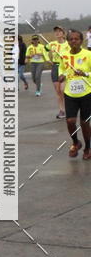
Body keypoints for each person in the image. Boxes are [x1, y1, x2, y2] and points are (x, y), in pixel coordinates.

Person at [57, 29, 91, 159]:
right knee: (70, 121)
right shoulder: (64, 55)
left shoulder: (88, 55)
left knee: (84, 123)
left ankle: (88, 148)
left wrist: (85, 74)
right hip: (70, 93)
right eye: (71, 39)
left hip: (87, 93)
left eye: (76, 39)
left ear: (81, 41)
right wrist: (62, 75)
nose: (73, 41)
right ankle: (76, 143)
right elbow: (63, 68)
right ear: (68, 41)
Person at [46, 25, 68, 118]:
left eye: (59, 31)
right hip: (55, 67)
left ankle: (70, 108)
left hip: (65, 68)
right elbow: (44, 49)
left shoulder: (68, 44)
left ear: (63, 33)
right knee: (58, 91)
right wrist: (47, 59)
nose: (57, 33)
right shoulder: (52, 44)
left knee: (63, 90)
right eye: (56, 31)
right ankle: (62, 110)